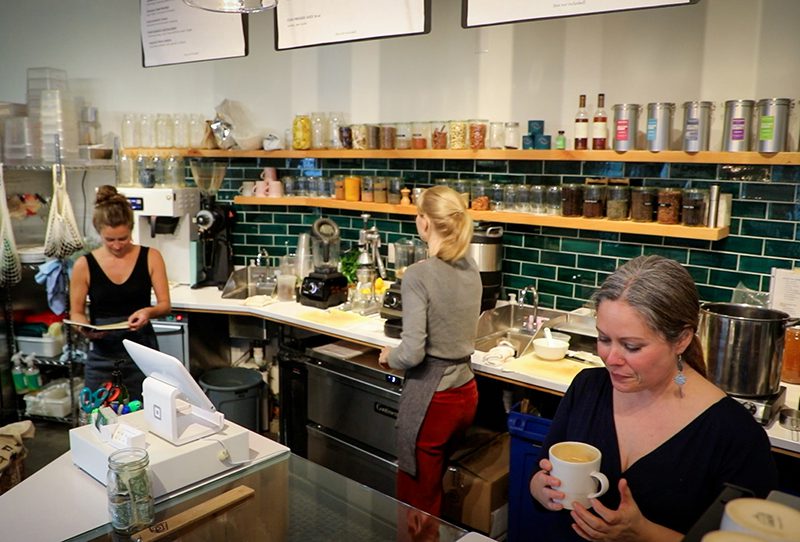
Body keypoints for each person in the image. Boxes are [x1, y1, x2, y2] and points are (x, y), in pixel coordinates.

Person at [528, 255, 778, 541]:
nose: (610, 358)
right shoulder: (588, 388)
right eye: (604, 339)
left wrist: (642, 533)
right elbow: (540, 471)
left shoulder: (734, 434)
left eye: (631, 346)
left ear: (681, 340)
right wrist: (541, 487)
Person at [378, 185, 482, 520]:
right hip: (466, 393)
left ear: (424, 223)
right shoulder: (471, 268)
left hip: (433, 400)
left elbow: (411, 353)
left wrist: (388, 356)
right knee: (437, 490)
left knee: (416, 502)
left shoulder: (418, 275)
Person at [69, 185, 171, 402]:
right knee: (98, 415)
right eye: (109, 240)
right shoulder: (84, 264)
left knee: (146, 412)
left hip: (142, 351)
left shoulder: (151, 256)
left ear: (131, 228)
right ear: (99, 232)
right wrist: (84, 328)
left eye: (123, 238)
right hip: (102, 353)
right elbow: (76, 312)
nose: (117, 245)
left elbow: (165, 305)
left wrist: (147, 312)